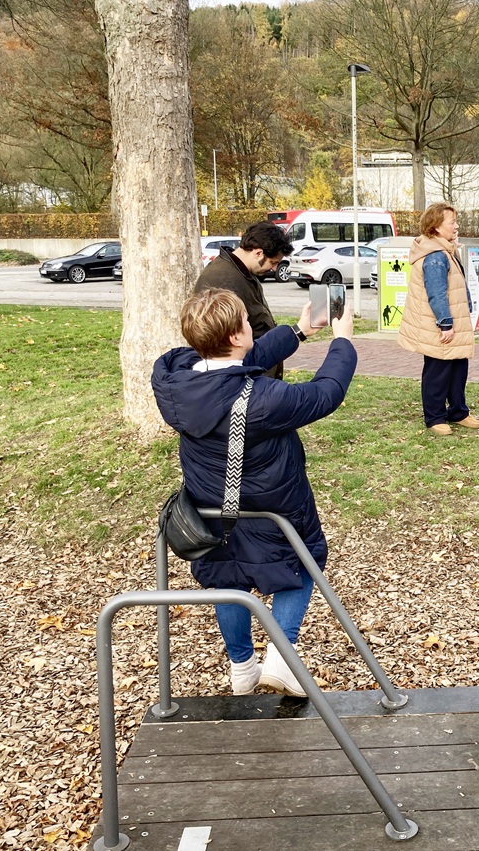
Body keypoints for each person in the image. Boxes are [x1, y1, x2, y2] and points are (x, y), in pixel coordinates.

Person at [151, 287, 356, 696]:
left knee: (228, 578)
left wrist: (298, 331)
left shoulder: (176, 379)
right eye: (247, 323)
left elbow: (235, 367)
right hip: (273, 505)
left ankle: (242, 667)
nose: (251, 329)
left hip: (211, 506)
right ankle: (282, 661)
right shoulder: (265, 400)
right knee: (300, 563)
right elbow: (325, 392)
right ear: (235, 336)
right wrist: (342, 340)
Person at [397, 201, 479, 435]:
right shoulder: (434, 256)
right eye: (452, 222)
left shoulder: (442, 250)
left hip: (454, 323)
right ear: (436, 227)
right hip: (442, 325)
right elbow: (437, 294)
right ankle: (434, 417)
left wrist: (453, 247)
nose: (456, 226)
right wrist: (445, 324)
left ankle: (458, 412)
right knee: (438, 371)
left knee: (457, 367)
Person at [194, 221, 294, 379]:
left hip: (257, 372)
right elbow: (221, 347)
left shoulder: (244, 272)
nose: (275, 269)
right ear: (258, 253)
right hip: (244, 381)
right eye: (273, 262)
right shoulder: (221, 279)